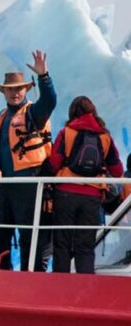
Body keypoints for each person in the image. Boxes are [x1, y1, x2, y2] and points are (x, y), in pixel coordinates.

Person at [0, 50, 56, 271]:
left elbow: (49, 101)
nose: (14, 93)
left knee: (29, 234)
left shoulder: (32, 113)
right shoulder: (3, 117)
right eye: (10, 90)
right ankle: (1, 274)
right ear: (4, 93)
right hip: (7, 185)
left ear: (26, 90)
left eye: (18, 89)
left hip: (29, 182)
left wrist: (44, 76)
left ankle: (31, 277)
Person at [48, 96, 123, 274]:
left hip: (66, 192)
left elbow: (54, 163)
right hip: (92, 196)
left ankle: (60, 286)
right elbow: (117, 169)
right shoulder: (104, 136)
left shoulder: (67, 132)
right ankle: (85, 287)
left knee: (62, 244)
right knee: (85, 246)